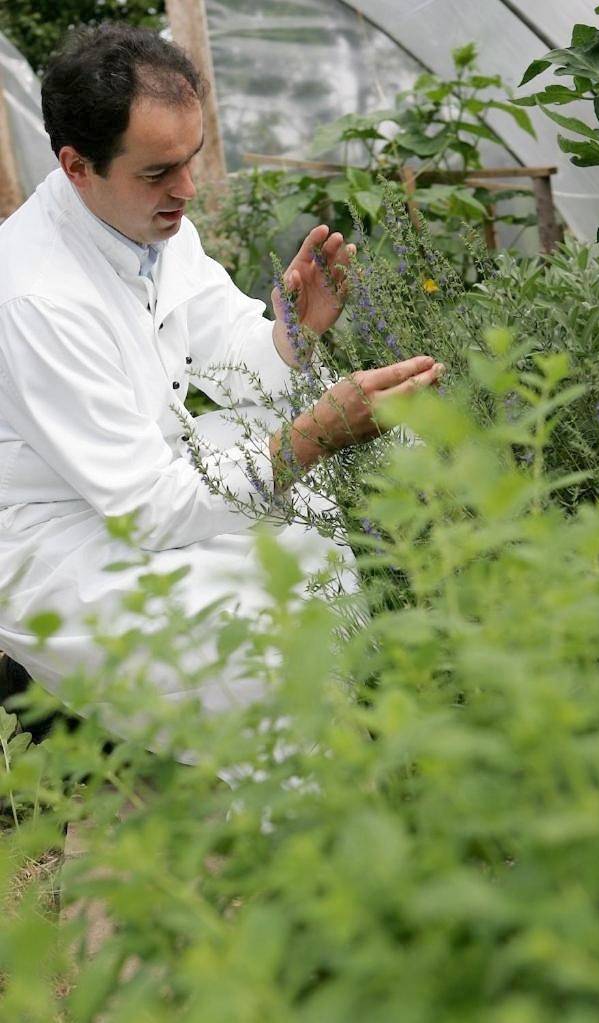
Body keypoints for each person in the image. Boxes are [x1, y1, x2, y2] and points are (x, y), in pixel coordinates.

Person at [0, 23, 442, 714]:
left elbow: (226, 345)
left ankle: (331, 773)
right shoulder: (34, 297)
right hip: (63, 543)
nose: (187, 189)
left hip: (147, 482)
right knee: (259, 647)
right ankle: (285, 796)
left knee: (313, 543)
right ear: (76, 165)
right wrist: (311, 436)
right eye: (157, 173)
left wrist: (292, 335)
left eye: (191, 158)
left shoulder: (150, 222)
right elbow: (146, 510)